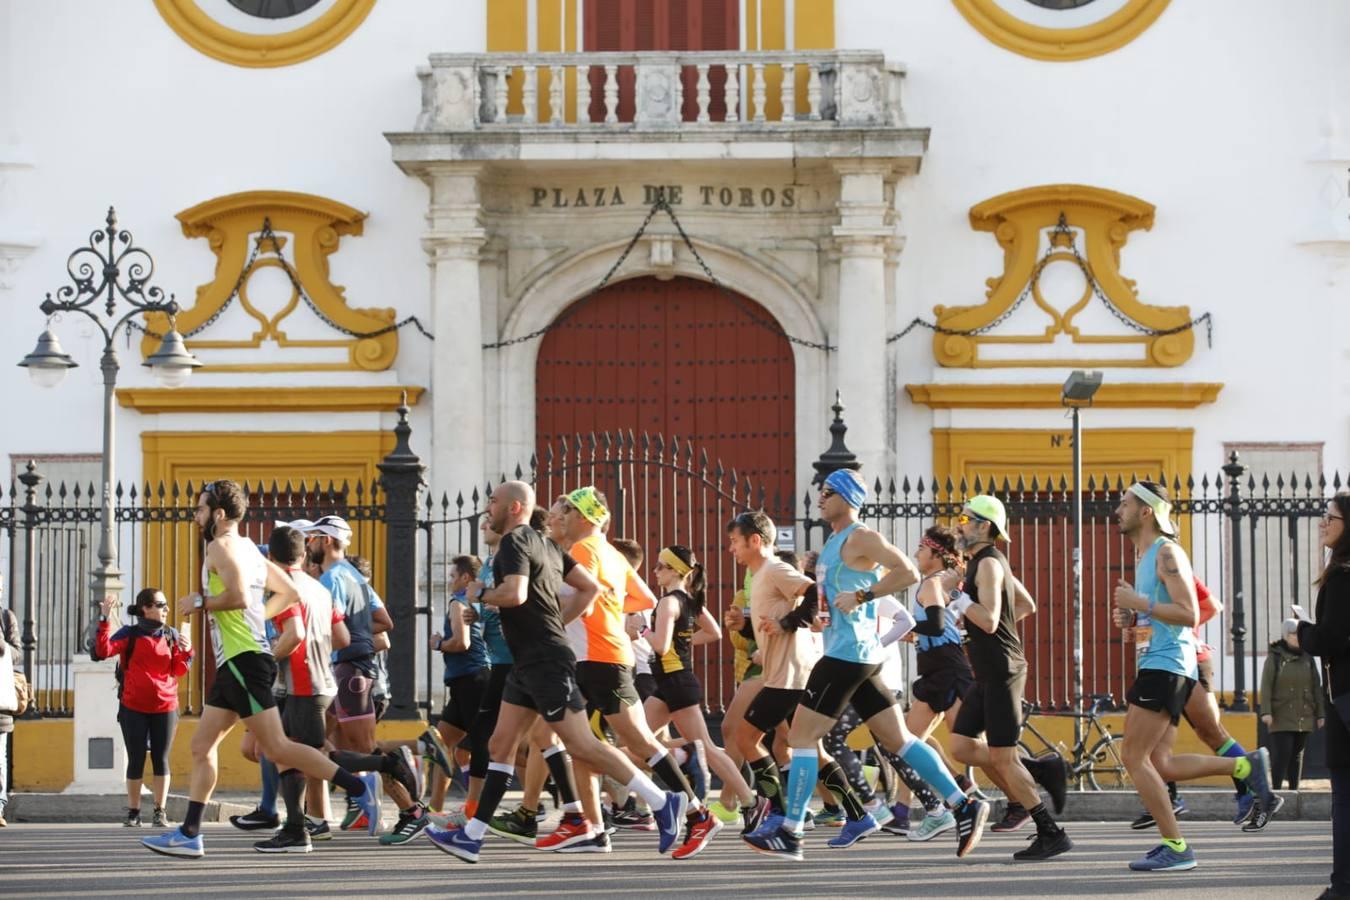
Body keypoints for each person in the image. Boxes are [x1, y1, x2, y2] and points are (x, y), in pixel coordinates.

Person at [425, 481, 687, 864]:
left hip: (545, 663)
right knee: (501, 745)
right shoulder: (547, 545)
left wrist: (480, 594)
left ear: (515, 508)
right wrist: (555, 622)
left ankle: (663, 802)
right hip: (527, 662)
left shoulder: (516, 543)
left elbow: (514, 594)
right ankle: (472, 836)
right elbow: (589, 588)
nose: (487, 508)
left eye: (494, 501)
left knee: (582, 745)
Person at [744, 472, 990, 861]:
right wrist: (827, 613)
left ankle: (791, 831)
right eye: (819, 492)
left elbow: (907, 571)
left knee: (802, 738)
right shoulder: (835, 541)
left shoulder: (860, 536)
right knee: (898, 740)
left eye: (827, 493)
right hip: (858, 651)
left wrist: (862, 595)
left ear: (846, 497)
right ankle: (963, 803)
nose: (820, 498)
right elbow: (839, 593)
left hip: (848, 654)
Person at [141, 480, 380, 858]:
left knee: (279, 747)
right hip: (238, 662)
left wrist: (201, 600)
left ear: (218, 514)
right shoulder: (250, 547)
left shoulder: (220, 546)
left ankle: (354, 785)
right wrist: (257, 617)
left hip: (243, 661)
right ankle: (190, 833)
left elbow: (236, 596)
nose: (196, 515)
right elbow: (290, 591)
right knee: (202, 746)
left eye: (201, 509)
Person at [1111, 481, 1277, 872]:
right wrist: (1132, 622)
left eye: (1125, 503)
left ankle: (1177, 846)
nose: (1118, 510)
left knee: (1133, 757)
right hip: (1163, 662)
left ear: (1146, 511)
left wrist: (1139, 602)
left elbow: (1188, 613)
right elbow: (1161, 621)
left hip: (1167, 666)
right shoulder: (1148, 555)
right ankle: (1243, 766)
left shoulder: (1167, 552)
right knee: (1160, 763)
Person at [946, 495, 1072, 862]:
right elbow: (1026, 605)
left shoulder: (987, 564)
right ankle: (1039, 768)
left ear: (984, 526)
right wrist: (978, 616)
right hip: (988, 672)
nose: (960, 525)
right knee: (961, 745)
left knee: (1002, 759)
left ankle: (1051, 833)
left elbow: (987, 619)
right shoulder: (986, 564)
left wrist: (959, 602)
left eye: (965, 519)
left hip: (1001, 671)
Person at [646, 542, 766, 854]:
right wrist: (681, 642)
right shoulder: (688, 600)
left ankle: (751, 802)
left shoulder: (669, 603)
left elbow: (658, 646)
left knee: (709, 750)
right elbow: (712, 632)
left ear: (675, 571)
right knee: (641, 740)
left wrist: (640, 630)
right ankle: (681, 763)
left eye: (661, 565)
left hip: (676, 684)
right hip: (670, 683)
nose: (655, 570)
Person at [304, 517, 394, 833]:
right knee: (311, 742)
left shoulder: (332, 579)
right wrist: (360, 632)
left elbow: (335, 629)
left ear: (327, 540)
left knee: (364, 748)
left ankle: (410, 808)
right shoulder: (356, 577)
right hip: (348, 670)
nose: (308, 544)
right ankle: (318, 817)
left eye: (313, 538)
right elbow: (384, 621)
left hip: (346, 670)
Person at [1284, 490, 1350, 900]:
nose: (1323, 523)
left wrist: (1301, 632)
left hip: (1345, 698)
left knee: (1344, 799)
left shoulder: (1343, 575)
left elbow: (1333, 638)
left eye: (1331, 517)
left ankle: (1342, 886)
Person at [94, 588, 192, 829]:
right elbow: (102, 651)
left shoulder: (171, 634)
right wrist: (104, 618)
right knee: (136, 759)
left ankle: (160, 811)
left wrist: (187, 650)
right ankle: (134, 812)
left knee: (161, 759)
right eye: (161, 605)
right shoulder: (130, 634)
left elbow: (179, 670)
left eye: (166, 605)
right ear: (146, 608)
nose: (166, 609)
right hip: (133, 707)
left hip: (166, 706)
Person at [428, 555, 491, 815]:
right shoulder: (479, 603)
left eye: (453, 576)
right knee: (442, 746)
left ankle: (478, 810)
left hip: (471, 680)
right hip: (468, 680)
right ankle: (434, 810)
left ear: (466, 577)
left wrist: (438, 644)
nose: (450, 580)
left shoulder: (458, 602)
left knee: (484, 747)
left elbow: (461, 643)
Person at [1261, 631, 1325, 792]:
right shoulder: (1275, 658)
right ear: (1285, 636)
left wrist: (1320, 713)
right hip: (1280, 713)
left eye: (1298, 633)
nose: (1296, 637)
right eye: (1292, 633)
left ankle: (1294, 790)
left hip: (1303, 713)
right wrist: (1266, 711)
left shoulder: (1308, 659)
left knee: (1297, 755)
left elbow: (1316, 687)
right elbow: (1266, 686)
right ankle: (1276, 790)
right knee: (1283, 753)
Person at [0, 573, 23, 827]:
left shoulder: (6, 618)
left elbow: (17, 653)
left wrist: (2, 646)